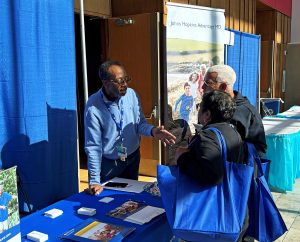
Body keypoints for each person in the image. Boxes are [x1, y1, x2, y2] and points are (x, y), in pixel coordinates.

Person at [84, 60, 176, 195]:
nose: (125, 85)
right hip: (109, 164)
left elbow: (139, 124)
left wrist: (153, 131)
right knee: (108, 200)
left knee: (131, 198)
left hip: (132, 158)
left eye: (126, 79)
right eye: (120, 81)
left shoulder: (132, 95)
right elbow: (93, 147)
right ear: (105, 82)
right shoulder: (93, 106)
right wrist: (94, 180)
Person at [175, 90, 247, 185]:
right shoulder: (233, 132)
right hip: (230, 193)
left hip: (209, 198)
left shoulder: (207, 137)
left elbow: (211, 175)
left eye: (199, 107)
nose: (198, 111)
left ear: (207, 114)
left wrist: (182, 157)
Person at [201, 64, 267, 157]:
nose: (203, 87)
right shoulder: (208, 107)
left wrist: (230, 145)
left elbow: (260, 150)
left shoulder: (248, 113)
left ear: (223, 87)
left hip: (235, 168)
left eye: (208, 83)